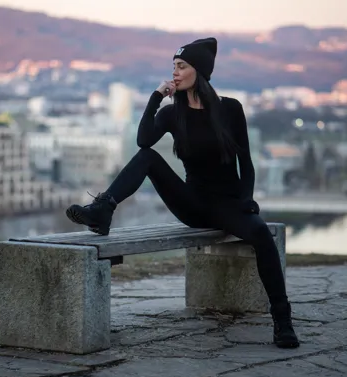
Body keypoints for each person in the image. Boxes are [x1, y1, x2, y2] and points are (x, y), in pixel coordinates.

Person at [65, 37, 299, 349]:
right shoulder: (172, 113)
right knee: (148, 158)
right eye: (173, 67)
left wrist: (247, 200)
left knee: (261, 236)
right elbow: (143, 141)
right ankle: (103, 208)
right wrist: (155, 98)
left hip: (228, 205)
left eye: (181, 66)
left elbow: (247, 163)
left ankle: (282, 321)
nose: (174, 73)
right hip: (192, 204)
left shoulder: (230, 109)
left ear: (198, 71)